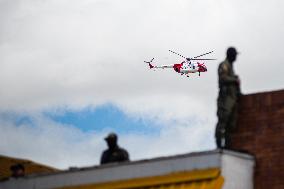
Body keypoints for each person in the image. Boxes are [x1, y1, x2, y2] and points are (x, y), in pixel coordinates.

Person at [215, 47, 241, 149]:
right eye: (234, 55)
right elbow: (223, 78)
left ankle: (228, 146)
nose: (235, 57)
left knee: (231, 124)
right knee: (223, 121)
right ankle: (219, 145)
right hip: (225, 99)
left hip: (232, 99)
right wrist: (234, 80)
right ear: (231, 55)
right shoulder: (224, 65)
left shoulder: (231, 67)